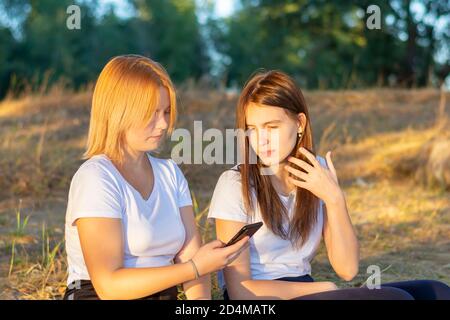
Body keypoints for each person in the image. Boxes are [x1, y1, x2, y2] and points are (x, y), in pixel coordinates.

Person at [207, 70, 450, 300]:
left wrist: (334, 198)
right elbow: (240, 292)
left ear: (299, 123)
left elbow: (347, 268)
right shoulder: (235, 184)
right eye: (252, 129)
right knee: (399, 299)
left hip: (312, 290)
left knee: (436, 292)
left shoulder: (316, 171)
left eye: (272, 127)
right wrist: (321, 288)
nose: (261, 140)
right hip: (266, 299)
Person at [63, 54, 249, 300]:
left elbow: (192, 258)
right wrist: (193, 268)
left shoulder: (170, 173)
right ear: (119, 112)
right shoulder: (96, 178)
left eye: (166, 112)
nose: (163, 124)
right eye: (152, 113)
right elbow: (108, 286)